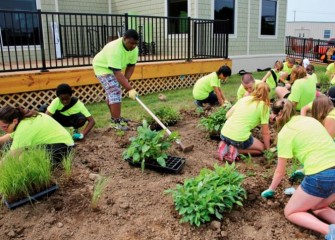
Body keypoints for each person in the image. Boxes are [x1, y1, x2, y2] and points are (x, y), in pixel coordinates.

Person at [261, 99, 335, 240]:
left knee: (290, 212)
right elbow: (322, 148)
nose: (271, 118)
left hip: (321, 176)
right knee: (318, 207)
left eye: (272, 115)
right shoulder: (310, 120)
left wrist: (270, 189)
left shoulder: (285, 134)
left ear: (279, 115)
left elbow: (280, 172)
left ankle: (329, 231)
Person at [92, 29, 139, 130]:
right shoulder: (114, 48)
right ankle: (117, 122)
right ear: (124, 39)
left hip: (114, 68)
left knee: (113, 92)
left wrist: (125, 80)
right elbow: (117, 73)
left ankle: (115, 119)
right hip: (102, 67)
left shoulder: (134, 49)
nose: (133, 46)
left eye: (135, 43)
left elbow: (131, 66)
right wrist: (129, 88)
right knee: (114, 91)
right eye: (131, 43)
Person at [0, 106, 74, 164]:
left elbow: (10, 157)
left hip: (62, 148)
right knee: (9, 145)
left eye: (4, 127)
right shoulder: (23, 120)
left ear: (15, 121)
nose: (2, 129)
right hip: (56, 143)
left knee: (21, 158)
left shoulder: (24, 128)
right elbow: (7, 138)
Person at [218, 82, 270, 162]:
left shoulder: (244, 99)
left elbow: (227, 115)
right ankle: (236, 150)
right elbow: (265, 132)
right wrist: (268, 149)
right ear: (268, 94)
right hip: (239, 138)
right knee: (261, 149)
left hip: (224, 134)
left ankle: (226, 145)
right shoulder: (264, 107)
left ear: (254, 90)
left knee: (237, 137)